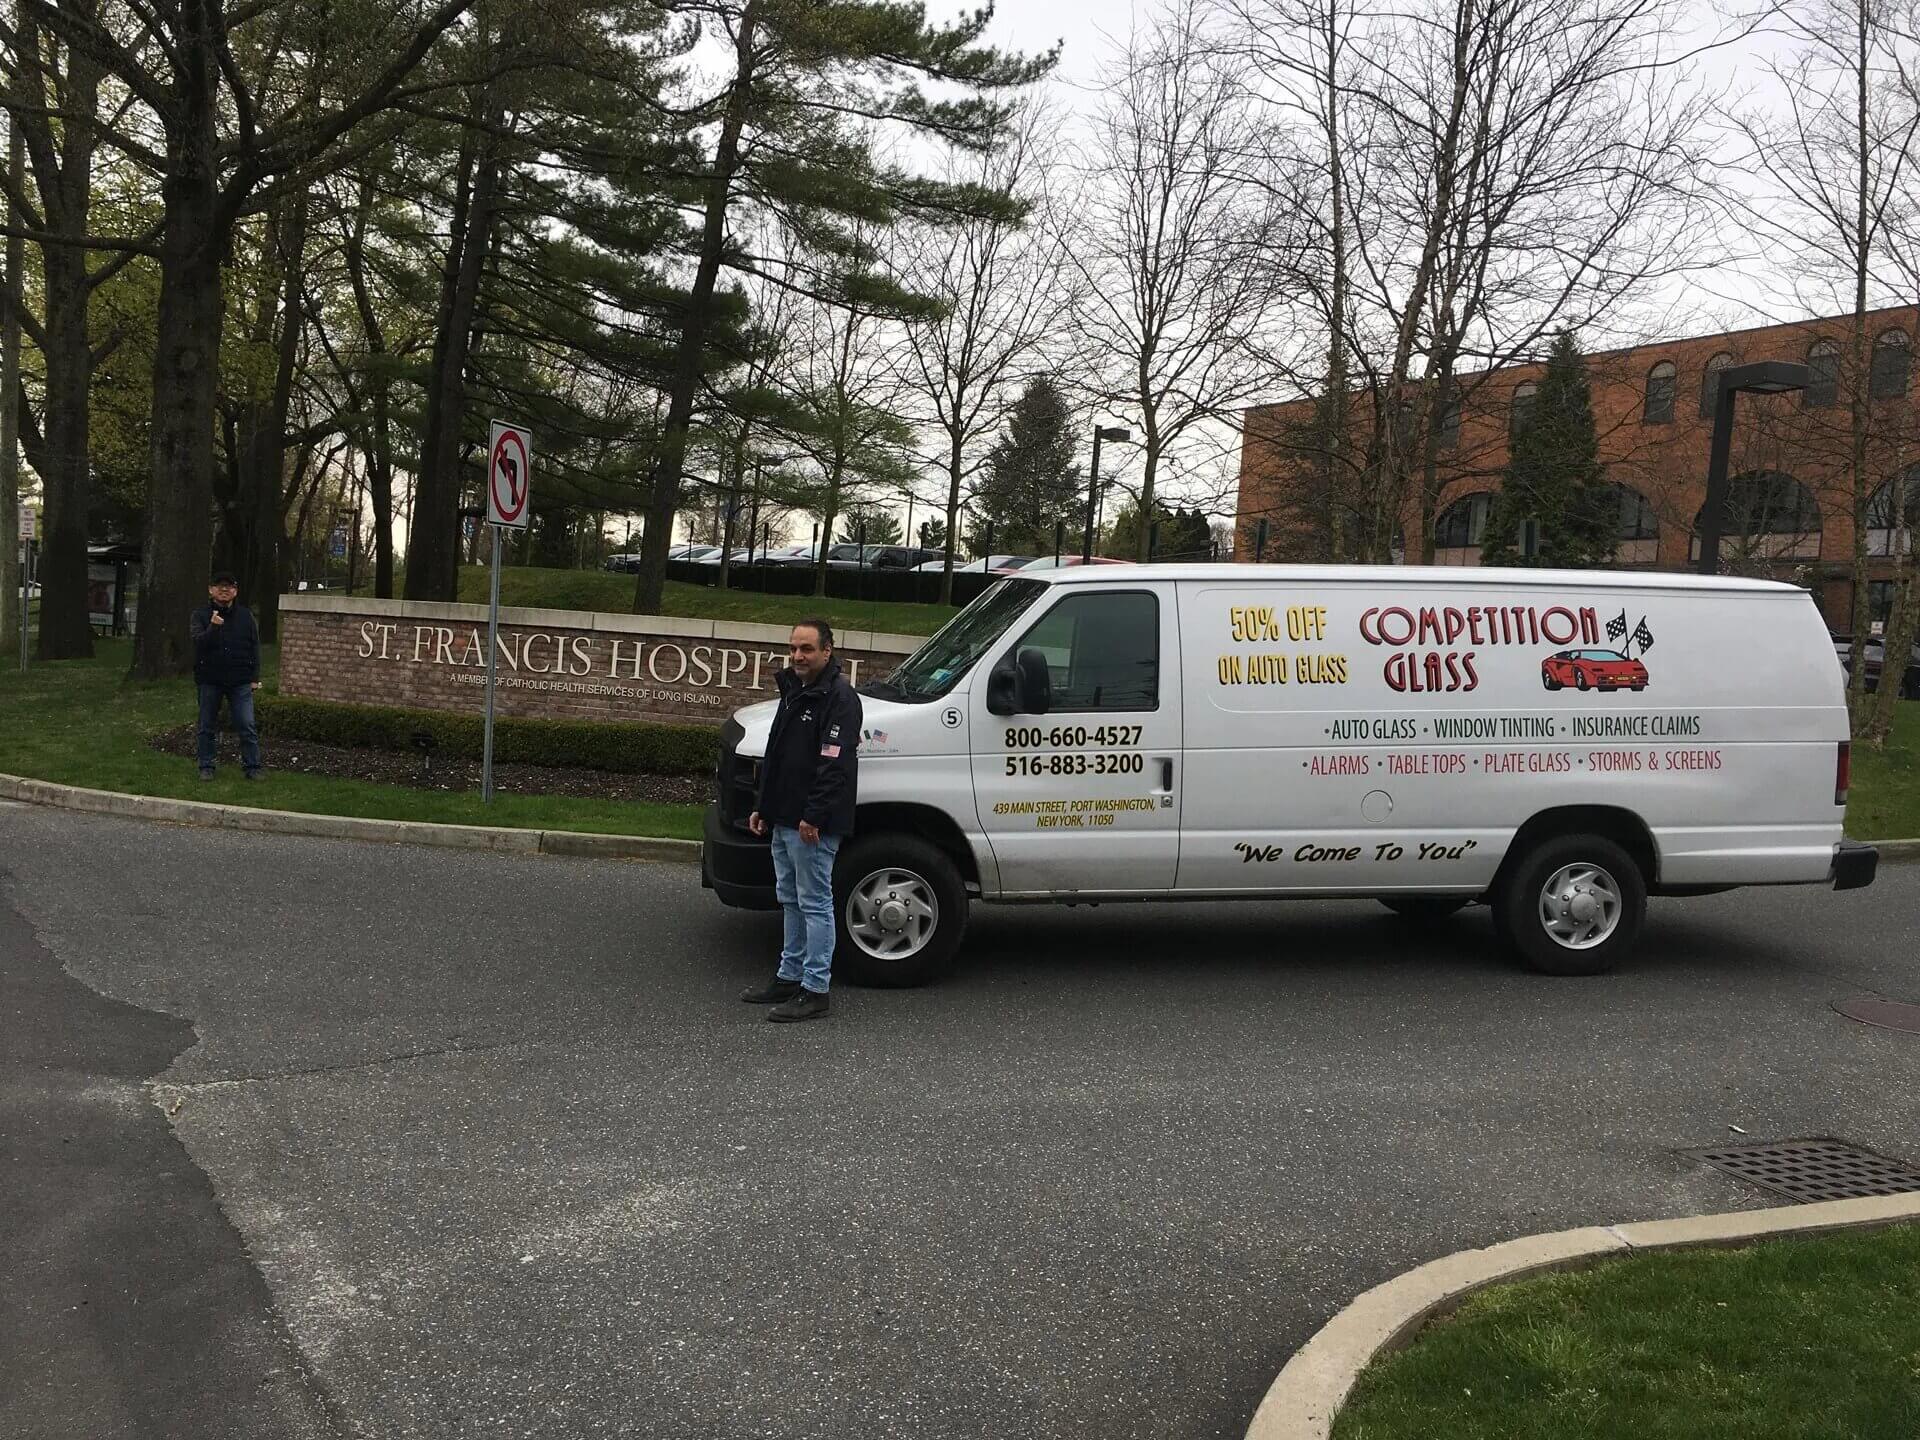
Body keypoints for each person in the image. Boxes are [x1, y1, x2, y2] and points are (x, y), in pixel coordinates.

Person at [740, 619, 862, 1022]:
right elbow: (776, 755)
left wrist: (814, 816)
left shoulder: (840, 698)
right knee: (790, 899)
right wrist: (763, 806)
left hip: (811, 824)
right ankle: (788, 976)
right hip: (782, 817)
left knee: (814, 903)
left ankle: (815, 988)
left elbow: (835, 766)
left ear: (828, 650)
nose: (797, 656)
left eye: (807, 649)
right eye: (793, 648)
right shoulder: (795, 690)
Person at [190, 571, 263, 781]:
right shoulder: (200, 615)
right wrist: (213, 627)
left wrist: (254, 677)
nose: (224, 589)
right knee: (206, 725)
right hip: (210, 679)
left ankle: (253, 767)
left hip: (240, 680)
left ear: (235, 591)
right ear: (211, 590)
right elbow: (199, 643)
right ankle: (206, 766)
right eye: (219, 586)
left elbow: (254, 647)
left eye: (229, 586)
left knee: (246, 724)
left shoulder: (246, 616)